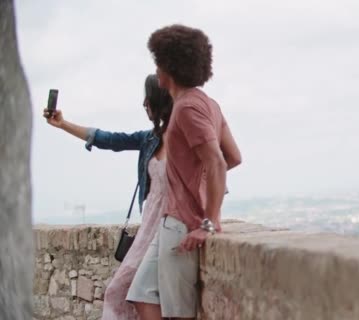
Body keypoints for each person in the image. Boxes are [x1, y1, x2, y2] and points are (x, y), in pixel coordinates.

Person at [127, 25, 242, 320]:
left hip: (181, 224)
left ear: (171, 67)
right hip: (170, 221)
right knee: (141, 294)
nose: (156, 69)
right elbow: (234, 157)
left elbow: (218, 162)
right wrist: (199, 179)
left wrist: (209, 222)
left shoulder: (187, 109)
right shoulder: (207, 104)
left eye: (159, 62)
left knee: (178, 313)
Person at [43, 74, 173, 320]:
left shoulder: (183, 139)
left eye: (148, 97)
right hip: (150, 227)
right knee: (119, 291)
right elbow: (108, 139)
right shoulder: (149, 139)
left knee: (133, 291)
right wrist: (63, 124)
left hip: (172, 225)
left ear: (160, 99)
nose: (144, 102)